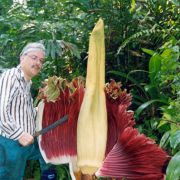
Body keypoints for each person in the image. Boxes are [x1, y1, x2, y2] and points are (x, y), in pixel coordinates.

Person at [0, 42, 52, 179]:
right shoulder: (10, 77)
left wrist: (44, 108)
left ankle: (48, 176)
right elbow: (1, 112)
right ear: (22, 58)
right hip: (11, 143)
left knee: (48, 152)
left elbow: (24, 111)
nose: (38, 63)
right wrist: (20, 134)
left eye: (41, 60)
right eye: (34, 58)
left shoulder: (26, 82)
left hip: (28, 141)